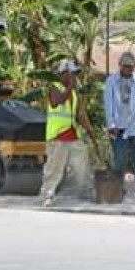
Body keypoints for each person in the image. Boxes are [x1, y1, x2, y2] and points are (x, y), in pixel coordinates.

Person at [41, 60, 96, 208]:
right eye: (73, 74)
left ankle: (85, 191)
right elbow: (57, 101)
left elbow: (79, 114)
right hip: (57, 136)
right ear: (64, 73)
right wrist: (71, 85)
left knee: (82, 164)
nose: (75, 77)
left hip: (72, 135)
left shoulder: (73, 94)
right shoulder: (54, 87)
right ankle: (48, 194)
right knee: (54, 167)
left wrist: (89, 129)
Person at [104, 51, 135, 201]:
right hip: (119, 125)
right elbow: (108, 104)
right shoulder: (111, 81)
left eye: (131, 67)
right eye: (126, 67)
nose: (129, 70)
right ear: (120, 66)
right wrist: (110, 123)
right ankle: (119, 189)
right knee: (120, 159)